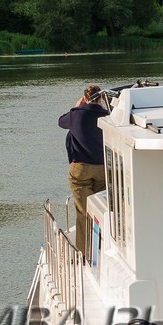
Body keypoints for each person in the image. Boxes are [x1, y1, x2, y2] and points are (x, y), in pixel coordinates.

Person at [58, 85, 109, 254]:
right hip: (101, 168)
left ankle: (85, 254)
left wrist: (77, 107)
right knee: (101, 209)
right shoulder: (105, 115)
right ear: (100, 98)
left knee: (82, 211)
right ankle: (102, 248)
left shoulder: (76, 114)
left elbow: (61, 122)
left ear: (85, 97)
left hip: (80, 169)